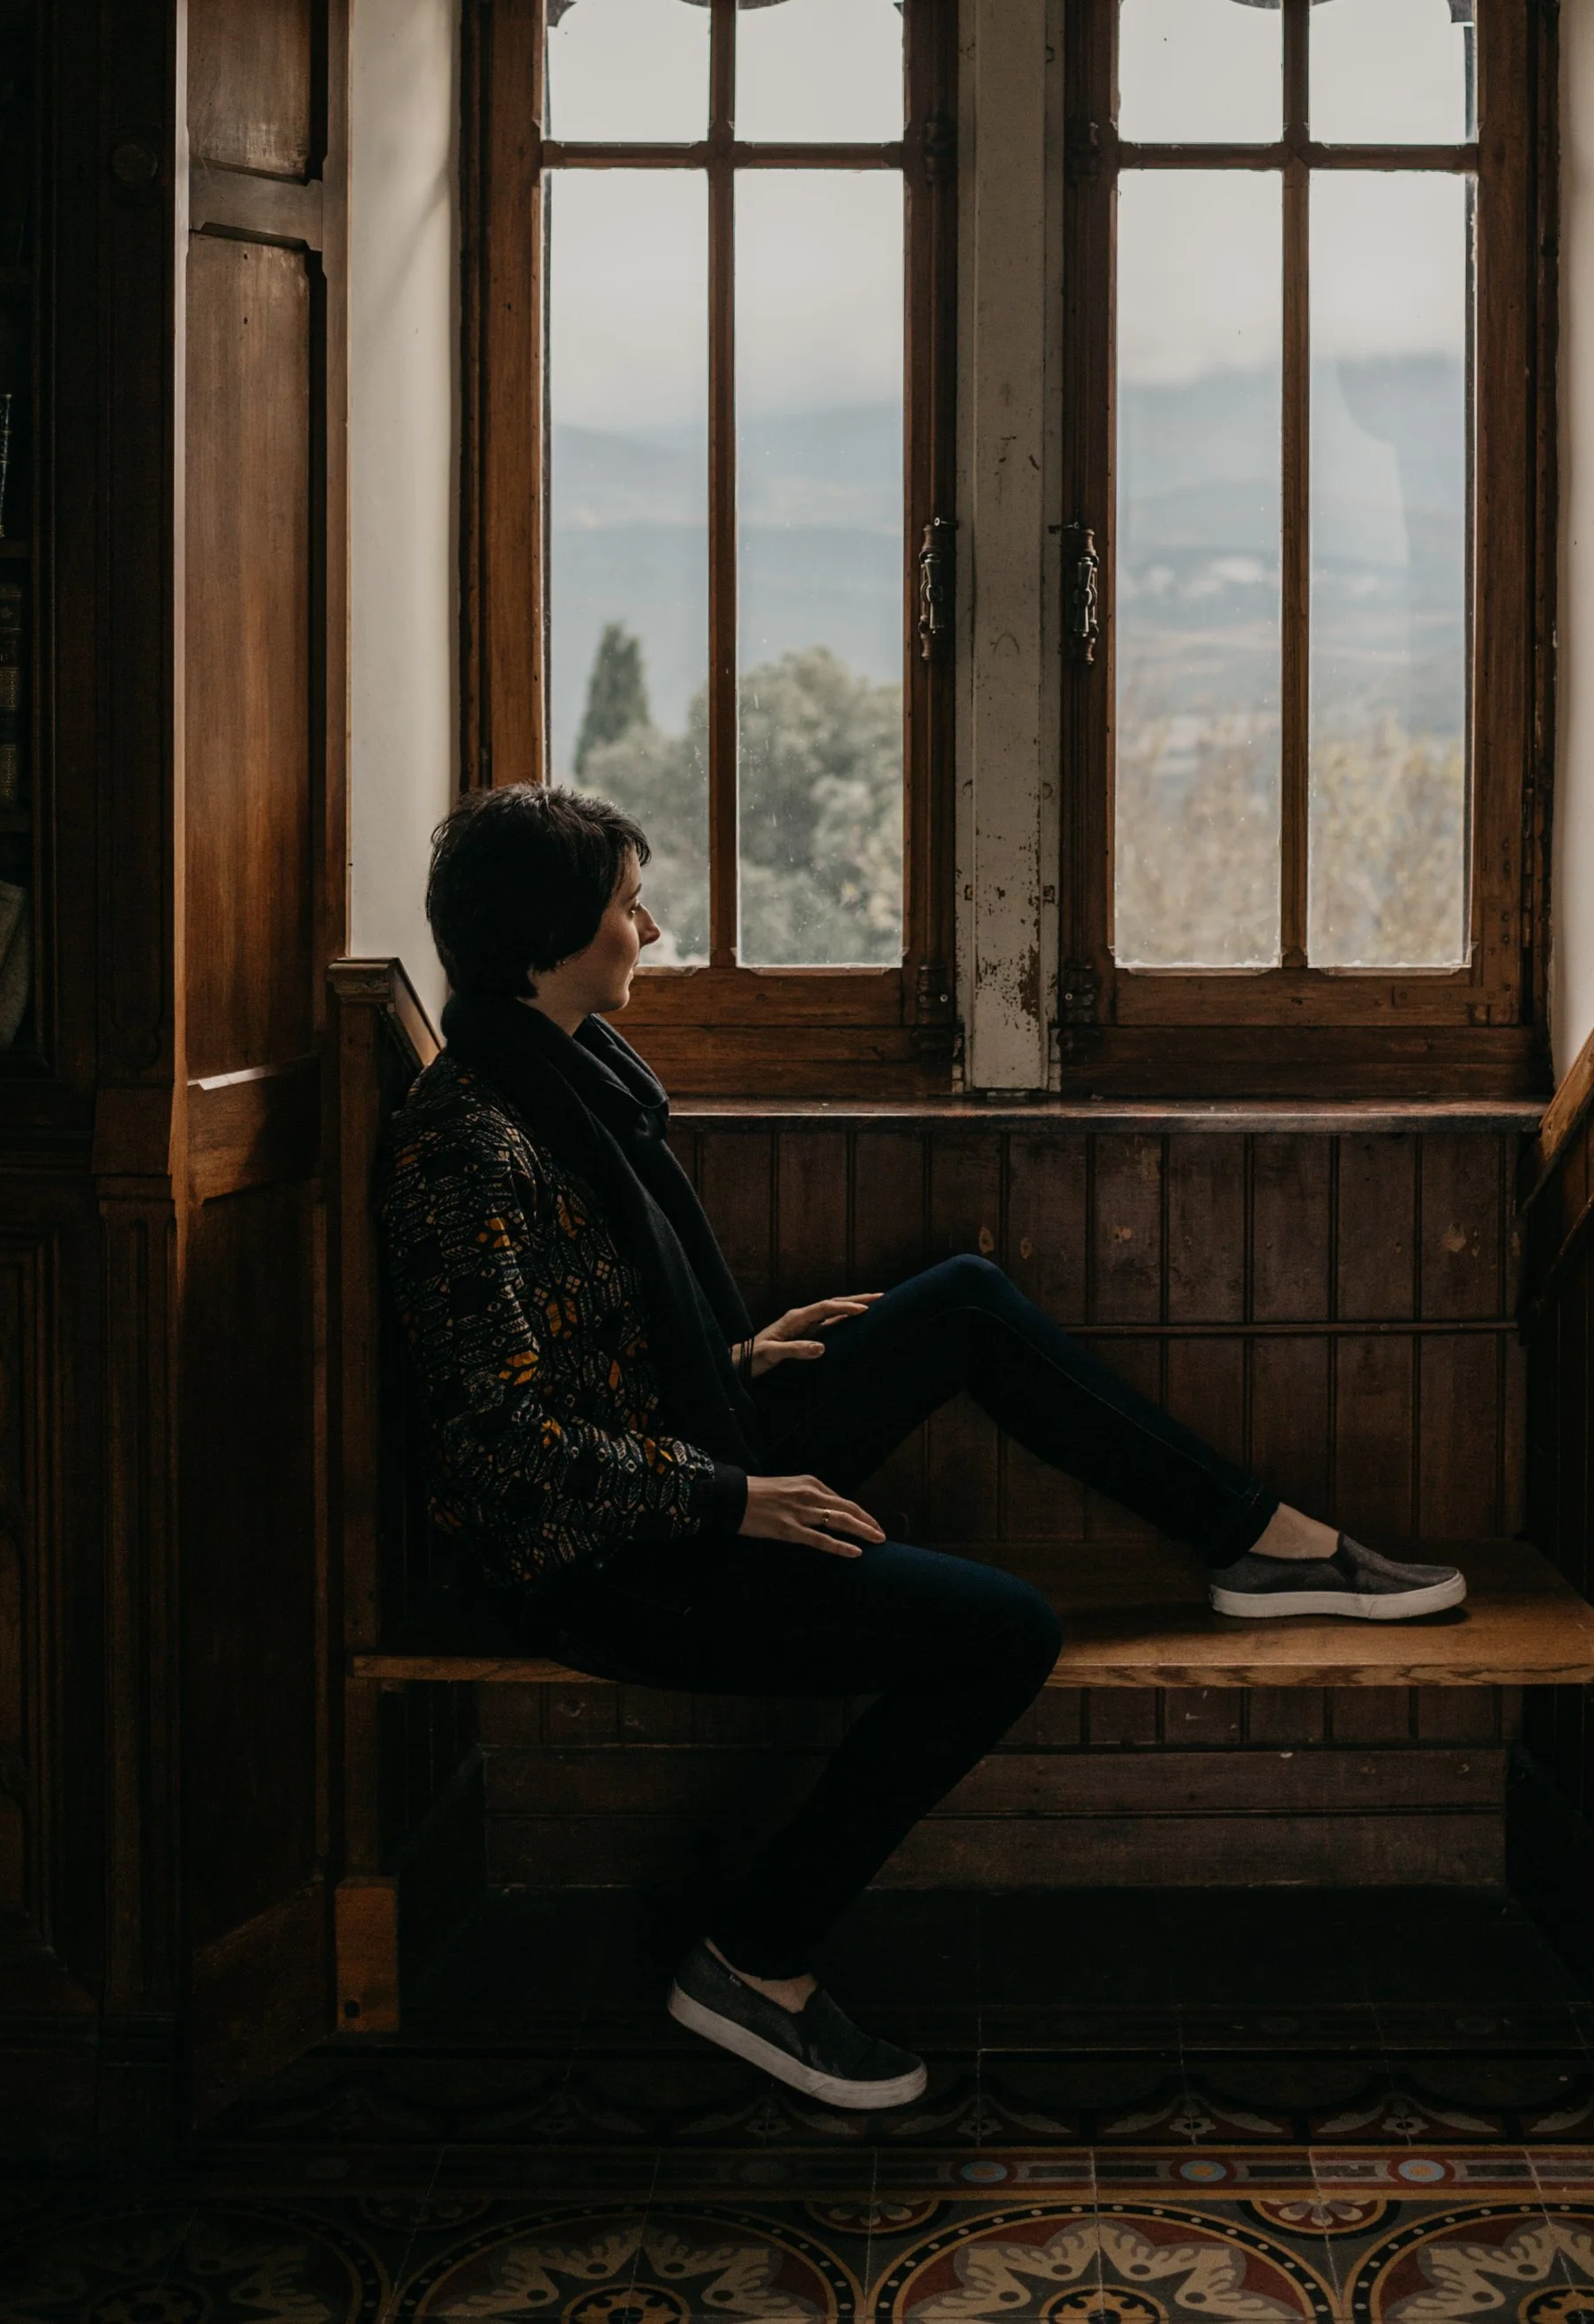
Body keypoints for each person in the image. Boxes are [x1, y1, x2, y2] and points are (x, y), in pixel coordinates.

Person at [383, 782, 1467, 2110]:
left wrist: (731, 1357)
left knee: (957, 1297)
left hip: (686, 1458)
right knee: (1005, 1629)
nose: (649, 927)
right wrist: (731, 1495)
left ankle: (1259, 1540)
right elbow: (502, 1449)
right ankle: (754, 1959)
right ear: (548, 940)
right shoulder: (464, 1141)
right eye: (623, 906)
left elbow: (582, 1339)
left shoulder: (560, 1082)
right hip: (617, 1559)